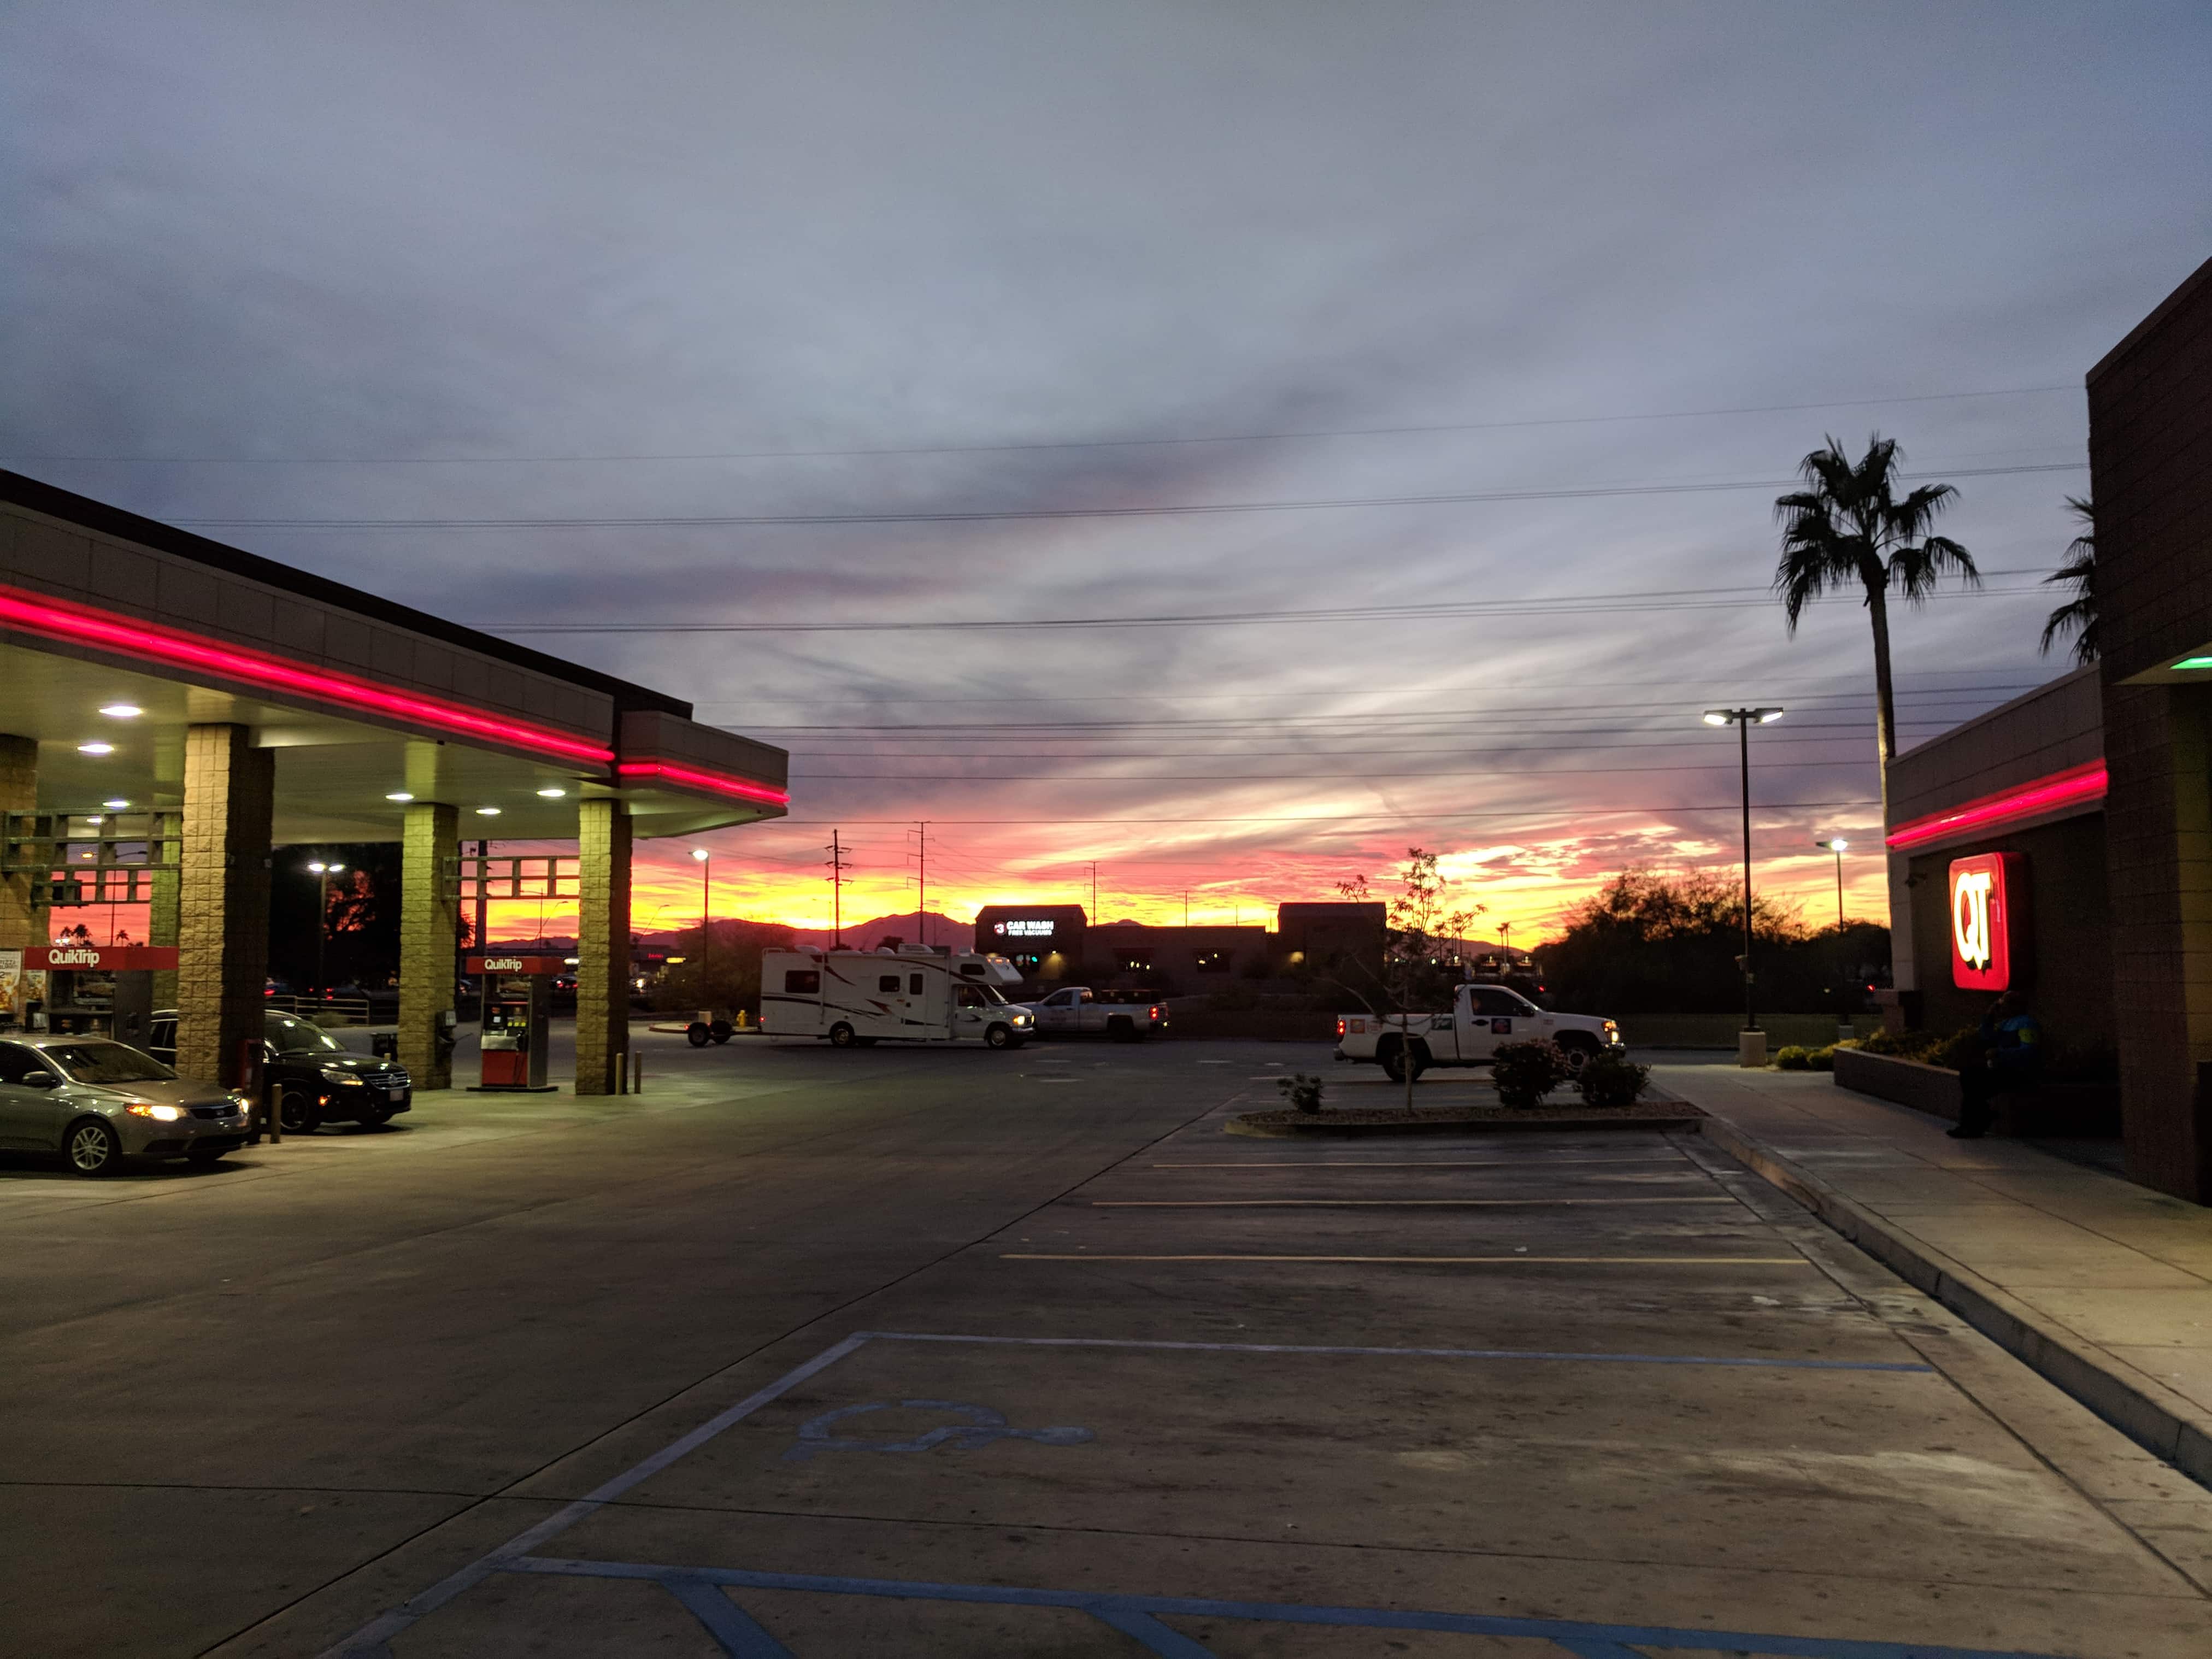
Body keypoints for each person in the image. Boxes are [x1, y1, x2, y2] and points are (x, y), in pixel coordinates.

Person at [1950, 988, 2043, 1139]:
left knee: (1975, 1087)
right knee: (1969, 1076)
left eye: (2004, 1004)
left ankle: (1973, 1124)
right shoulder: (2006, 1024)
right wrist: (1990, 1015)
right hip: (2002, 1069)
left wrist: (2000, 1053)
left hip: (2017, 1072)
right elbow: (1986, 1036)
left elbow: (2029, 1051)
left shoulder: (2026, 1024)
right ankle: (1976, 1120)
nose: (2002, 1008)